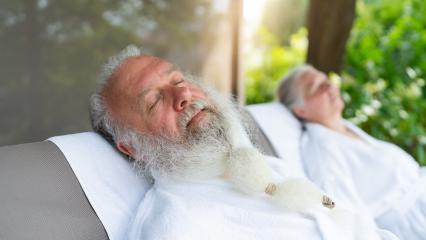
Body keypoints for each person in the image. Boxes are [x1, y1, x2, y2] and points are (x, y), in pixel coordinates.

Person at [89, 45, 398, 240]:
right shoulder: (177, 227)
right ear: (131, 146)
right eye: (155, 102)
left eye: (179, 80)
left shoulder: (258, 167)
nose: (182, 95)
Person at [277, 65, 426, 240]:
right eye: (316, 87)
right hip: (414, 222)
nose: (328, 87)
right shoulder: (322, 149)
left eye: (326, 81)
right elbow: (341, 209)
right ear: (300, 110)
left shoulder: (345, 128)